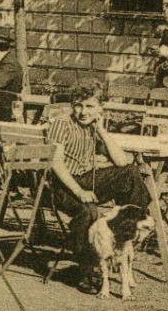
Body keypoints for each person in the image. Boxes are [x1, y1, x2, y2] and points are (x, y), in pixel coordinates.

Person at [44, 84, 153, 267]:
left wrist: (102, 131)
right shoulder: (63, 123)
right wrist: (79, 192)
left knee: (130, 173)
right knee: (88, 211)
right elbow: (56, 163)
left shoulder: (93, 127)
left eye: (90, 106)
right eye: (78, 105)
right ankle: (86, 264)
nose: (83, 112)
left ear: (100, 108)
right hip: (62, 185)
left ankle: (128, 227)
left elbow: (122, 162)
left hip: (86, 179)